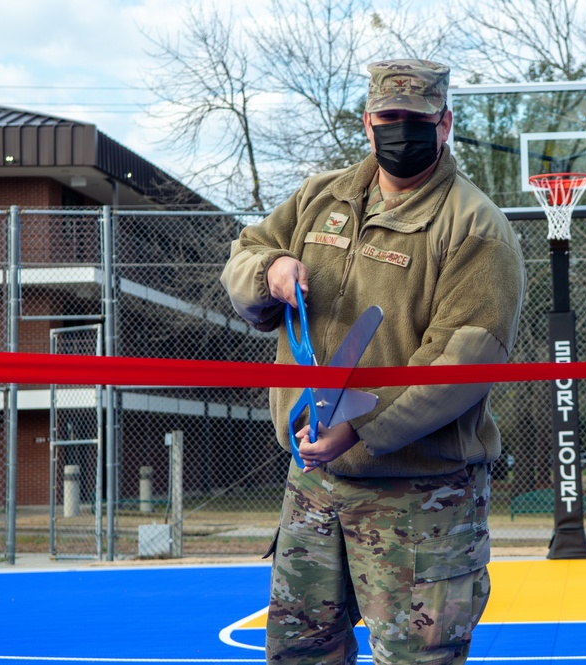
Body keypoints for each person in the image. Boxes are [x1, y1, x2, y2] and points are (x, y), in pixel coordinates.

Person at [220, 59, 526, 665]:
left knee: (417, 658)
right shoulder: (320, 197)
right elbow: (246, 252)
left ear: (444, 125)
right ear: (367, 122)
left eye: (418, 120)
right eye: (390, 117)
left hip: (421, 496)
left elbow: (464, 358)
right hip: (313, 485)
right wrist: (270, 270)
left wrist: (362, 429)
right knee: (298, 653)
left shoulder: (475, 227)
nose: (402, 130)